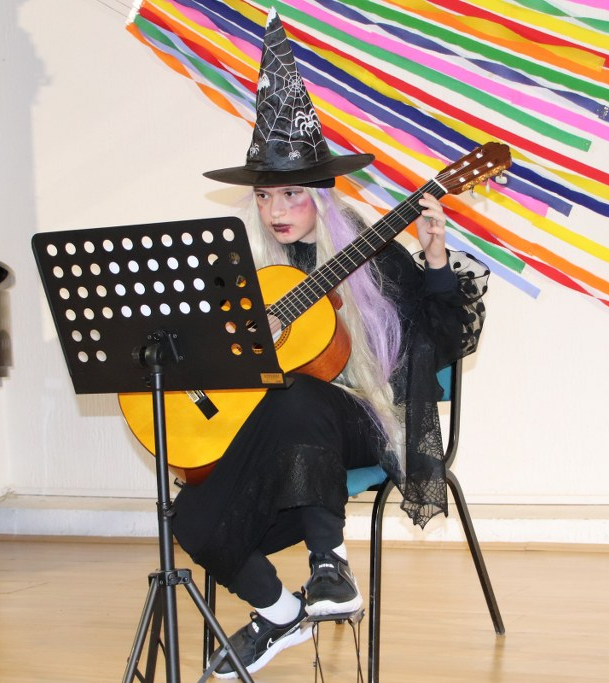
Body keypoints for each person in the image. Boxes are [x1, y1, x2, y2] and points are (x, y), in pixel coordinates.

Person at [170, 9, 488, 679]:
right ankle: (280, 612)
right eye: (265, 198)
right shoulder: (251, 275)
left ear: (320, 194)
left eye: (291, 194)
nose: (276, 211)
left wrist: (435, 259)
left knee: (300, 392)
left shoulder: (370, 257)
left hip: (360, 424)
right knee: (190, 515)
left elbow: (441, 342)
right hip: (284, 440)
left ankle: (329, 566)